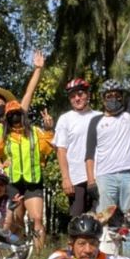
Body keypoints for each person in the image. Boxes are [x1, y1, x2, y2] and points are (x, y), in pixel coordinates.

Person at [85, 47, 130, 226]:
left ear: (122, 98)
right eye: (109, 96)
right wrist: (91, 181)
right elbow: (89, 154)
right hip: (105, 176)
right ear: (103, 99)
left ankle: (129, 254)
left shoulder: (129, 115)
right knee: (105, 221)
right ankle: (105, 253)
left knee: (129, 220)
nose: (112, 99)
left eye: (116, 95)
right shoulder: (95, 121)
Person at [0, 101, 54, 246]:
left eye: (17, 113)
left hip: (33, 181)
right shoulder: (5, 138)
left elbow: (47, 149)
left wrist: (49, 130)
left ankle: (39, 255)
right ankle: (18, 253)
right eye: (11, 115)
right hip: (13, 183)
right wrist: (1, 165)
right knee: (16, 221)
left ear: (23, 115)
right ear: (6, 118)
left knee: (37, 218)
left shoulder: (36, 132)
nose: (14, 117)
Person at [0, 51, 45, 162]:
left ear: (6, 105)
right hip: (1, 173)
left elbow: (29, 93)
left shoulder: (17, 115)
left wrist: (37, 69)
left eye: (0, 104)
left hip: (23, 169)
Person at [54, 78, 101, 217]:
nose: (77, 98)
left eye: (80, 94)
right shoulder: (65, 119)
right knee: (77, 222)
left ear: (88, 95)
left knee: (101, 220)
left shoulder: (100, 117)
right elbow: (61, 150)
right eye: (73, 96)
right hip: (76, 178)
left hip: (99, 176)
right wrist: (65, 178)